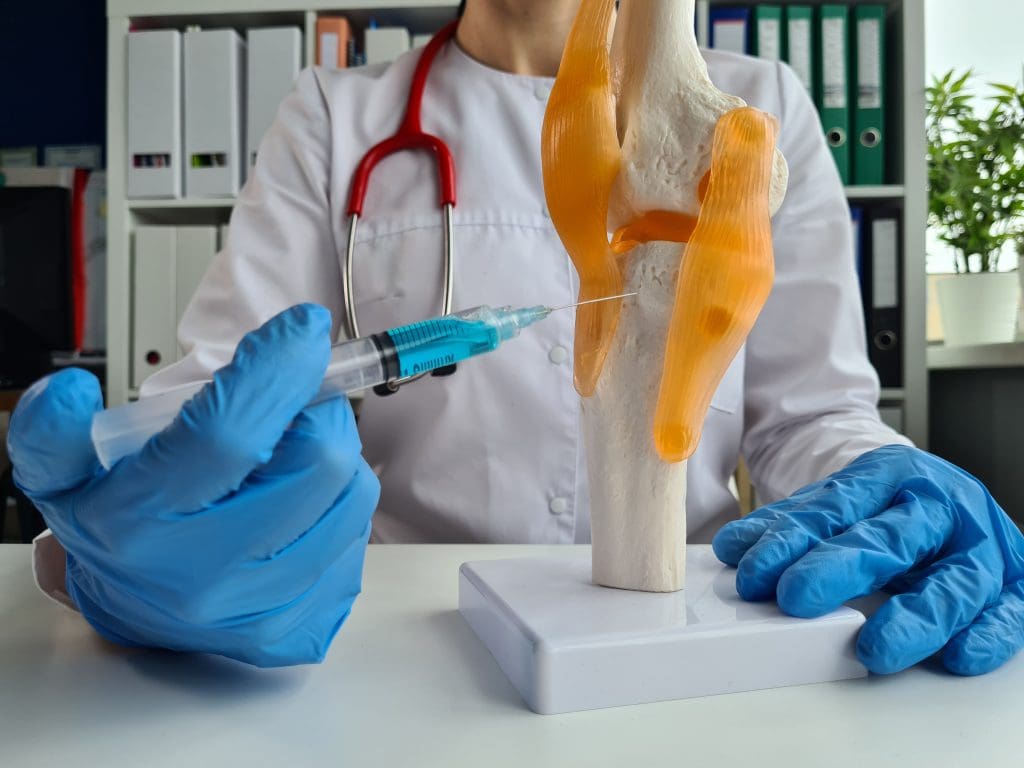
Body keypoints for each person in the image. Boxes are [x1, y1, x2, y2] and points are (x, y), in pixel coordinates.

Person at [8, 0, 1023, 673]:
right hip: (403, 635)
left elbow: (812, 416)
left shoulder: (758, 113)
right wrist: (139, 543)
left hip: (692, 632)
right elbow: (222, 406)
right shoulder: (335, 116)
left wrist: (884, 485)